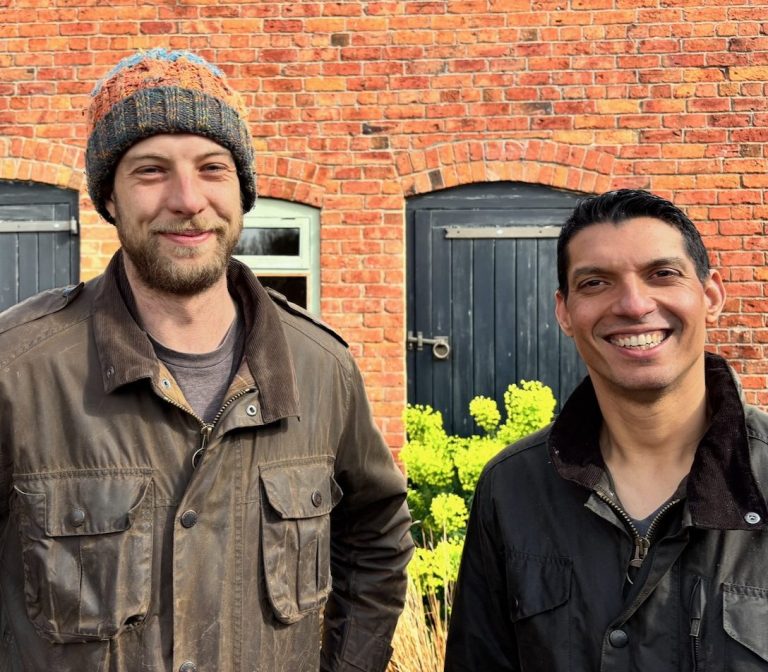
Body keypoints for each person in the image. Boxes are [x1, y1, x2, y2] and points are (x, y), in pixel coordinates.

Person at [0, 49, 413, 672]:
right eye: (151, 170)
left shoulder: (321, 369)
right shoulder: (18, 372)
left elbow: (376, 535)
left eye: (212, 168)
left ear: (242, 191)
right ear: (109, 197)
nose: (188, 199)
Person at [444, 189, 768, 671]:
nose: (633, 304)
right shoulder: (511, 488)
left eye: (662, 274)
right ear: (564, 312)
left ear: (711, 296)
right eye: (596, 282)